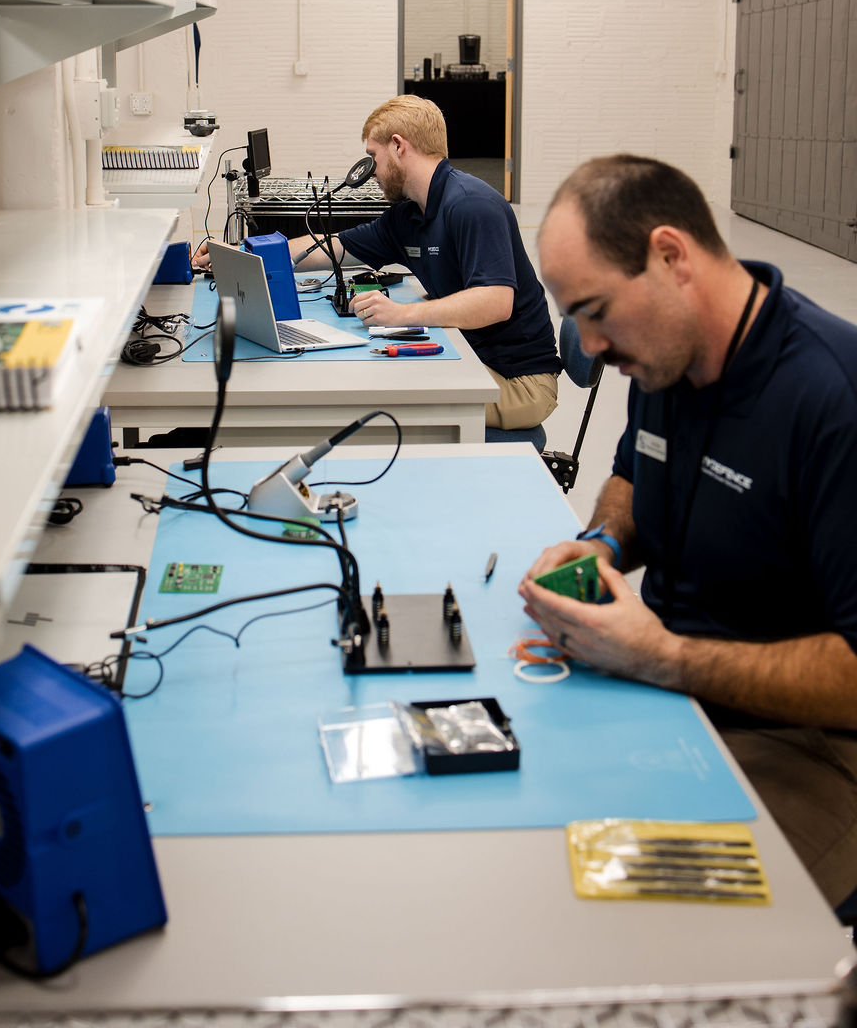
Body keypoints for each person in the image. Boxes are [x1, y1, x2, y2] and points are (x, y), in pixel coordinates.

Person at [517, 153, 857, 908]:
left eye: (595, 312)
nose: (592, 348)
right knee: (512, 815)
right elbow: (636, 477)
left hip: (813, 745)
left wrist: (666, 657)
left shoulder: (831, 397)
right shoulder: (664, 361)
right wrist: (601, 543)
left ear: (672, 256)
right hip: (674, 690)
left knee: (637, 911)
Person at [194, 96, 560, 431]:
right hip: (471, 356)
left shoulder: (470, 205)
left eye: (373, 155)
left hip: (518, 382)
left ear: (399, 146)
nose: (371, 171)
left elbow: (496, 301)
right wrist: (244, 252)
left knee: (378, 407)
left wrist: (401, 314)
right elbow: (335, 246)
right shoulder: (411, 213)